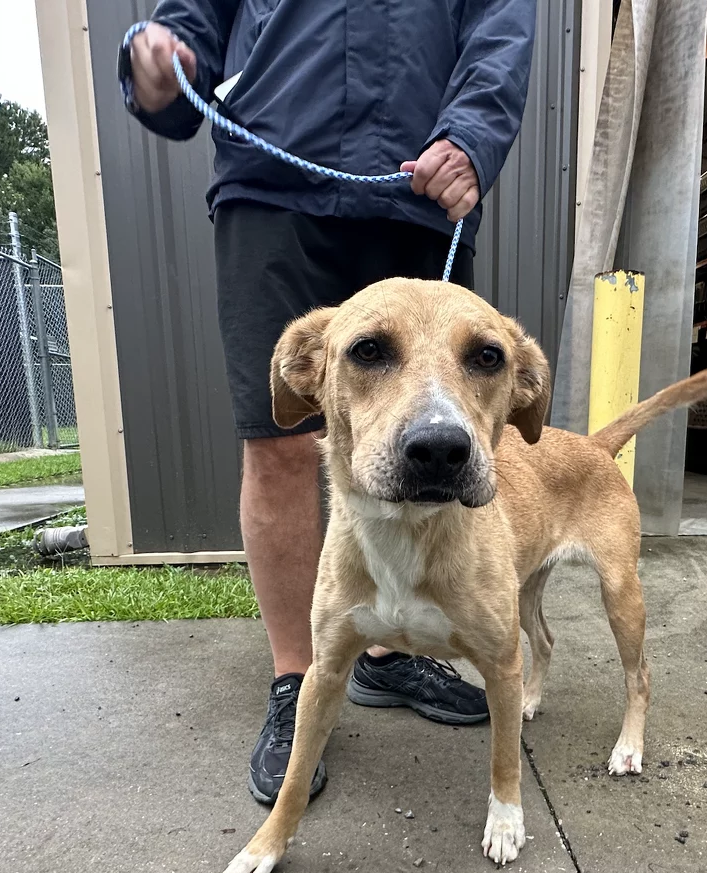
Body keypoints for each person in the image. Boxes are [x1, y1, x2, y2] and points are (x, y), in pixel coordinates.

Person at [117, 0, 536, 806]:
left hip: (421, 182)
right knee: (277, 436)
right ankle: (296, 676)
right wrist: (158, 59)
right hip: (274, 177)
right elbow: (190, 22)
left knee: (439, 421)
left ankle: (387, 651)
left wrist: (474, 138)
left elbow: (501, 26)